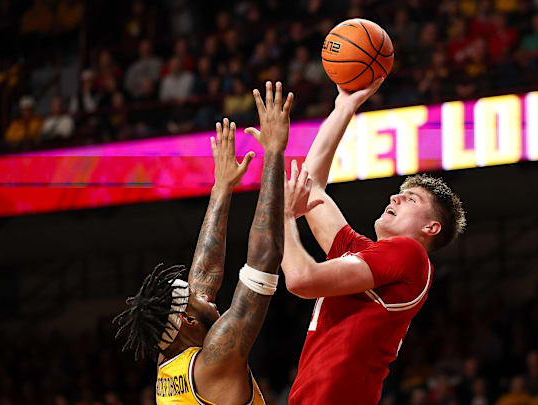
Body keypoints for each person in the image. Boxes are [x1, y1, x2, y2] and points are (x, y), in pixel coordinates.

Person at [280, 80, 466, 405]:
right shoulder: (366, 256)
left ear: (431, 227)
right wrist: (344, 107)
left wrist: (282, 217)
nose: (394, 196)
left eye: (410, 198)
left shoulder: (410, 253)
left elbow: (301, 279)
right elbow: (312, 188)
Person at [113, 81, 294, 405]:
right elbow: (264, 259)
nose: (206, 297)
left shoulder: (169, 361)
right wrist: (274, 153)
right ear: (187, 319)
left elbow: (203, 278)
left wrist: (221, 189)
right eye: (196, 300)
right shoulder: (213, 361)